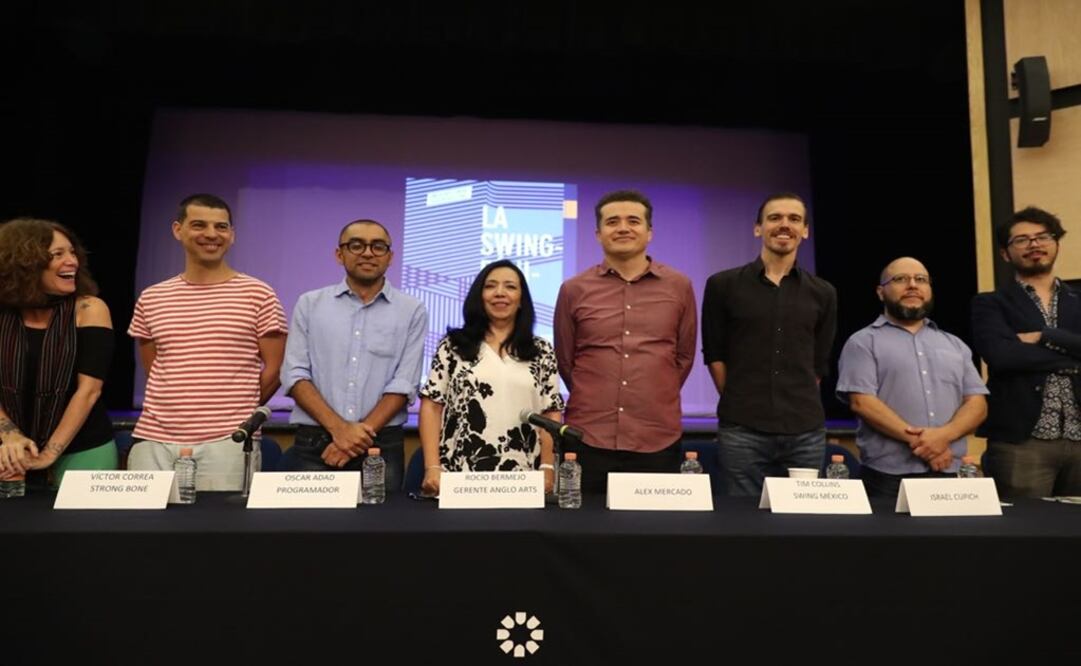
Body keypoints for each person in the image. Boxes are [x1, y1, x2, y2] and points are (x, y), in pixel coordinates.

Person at [127, 194, 287, 490]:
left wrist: (239, 414)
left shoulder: (258, 294)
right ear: (178, 230)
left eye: (221, 227)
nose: (211, 234)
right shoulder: (152, 297)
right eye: (199, 225)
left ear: (232, 235)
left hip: (229, 440)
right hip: (154, 438)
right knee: (144, 531)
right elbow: (155, 368)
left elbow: (277, 368)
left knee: (220, 532)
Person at [554, 190, 696, 493]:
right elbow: (566, 360)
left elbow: (683, 358)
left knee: (653, 536)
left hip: (657, 436)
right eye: (612, 222)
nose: (622, 228)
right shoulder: (573, 290)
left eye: (633, 221)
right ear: (598, 233)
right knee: (582, 533)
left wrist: (652, 394)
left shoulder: (679, 286)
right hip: (589, 436)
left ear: (649, 232)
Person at [701, 192, 837, 496]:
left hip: (806, 431)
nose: (784, 225)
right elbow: (715, 354)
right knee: (744, 526)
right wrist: (743, 399)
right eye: (775, 218)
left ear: (805, 230)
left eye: (794, 219)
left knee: (803, 526)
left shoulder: (824, 292)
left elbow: (818, 362)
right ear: (758, 228)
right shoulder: (722, 285)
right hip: (741, 429)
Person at [281, 219, 427, 492]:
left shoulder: (412, 310)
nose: (368, 253)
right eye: (357, 245)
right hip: (315, 442)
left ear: (390, 257)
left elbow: (404, 382)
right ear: (340, 254)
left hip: (381, 445)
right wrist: (340, 430)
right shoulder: (310, 304)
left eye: (378, 246)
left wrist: (355, 436)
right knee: (307, 532)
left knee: (380, 532)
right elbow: (295, 374)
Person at [836, 257, 988, 498]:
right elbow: (862, 403)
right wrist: (928, 445)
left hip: (953, 474)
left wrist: (942, 438)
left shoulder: (954, 344)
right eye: (900, 279)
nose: (912, 285)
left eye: (921, 280)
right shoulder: (863, 342)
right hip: (888, 479)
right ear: (880, 292)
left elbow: (977, 404)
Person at [419, 259, 563, 496]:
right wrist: (432, 467)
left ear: (521, 300)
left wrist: (547, 466)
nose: (500, 293)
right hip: (459, 475)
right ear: (479, 296)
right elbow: (432, 406)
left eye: (510, 287)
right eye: (490, 286)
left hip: (523, 476)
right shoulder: (453, 346)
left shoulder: (541, 351)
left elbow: (550, 413)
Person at [972, 206, 1081, 499]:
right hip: (1020, 442)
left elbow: (1019, 353)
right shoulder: (990, 304)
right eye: (1021, 240)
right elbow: (1002, 356)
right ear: (1005, 253)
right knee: (1025, 535)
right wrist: (1073, 360)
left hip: (1079, 435)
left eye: (1042, 237)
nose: (1034, 244)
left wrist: (1045, 336)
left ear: (1056, 243)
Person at [0, 218, 117, 488]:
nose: (72, 261)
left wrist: (50, 453)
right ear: (24, 263)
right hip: (10, 447)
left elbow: (89, 391)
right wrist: (10, 436)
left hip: (83, 447)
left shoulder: (90, 309)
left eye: (72, 252)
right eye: (57, 254)